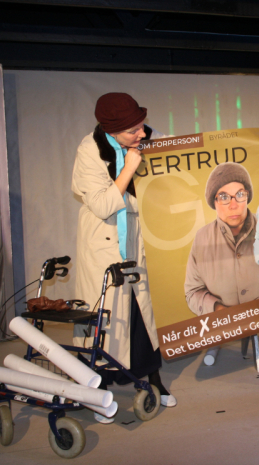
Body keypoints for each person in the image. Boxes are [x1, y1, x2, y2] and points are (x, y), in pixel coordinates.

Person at [71, 92, 176, 422]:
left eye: (142, 125)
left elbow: (184, 157)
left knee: (143, 315)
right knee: (103, 317)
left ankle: (153, 381)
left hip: (137, 236)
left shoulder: (148, 137)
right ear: (112, 131)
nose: (142, 133)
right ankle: (98, 392)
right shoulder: (89, 150)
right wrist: (130, 167)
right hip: (103, 240)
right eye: (134, 131)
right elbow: (103, 205)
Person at [184, 162, 259, 365]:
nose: (233, 204)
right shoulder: (202, 238)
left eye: (239, 194)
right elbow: (192, 291)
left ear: (247, 196)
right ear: (213, 202)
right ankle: (217, 342)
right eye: (223, 197)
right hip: (223, 318)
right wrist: (218, 310)